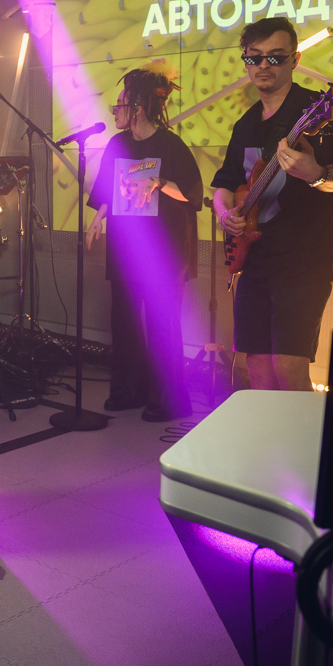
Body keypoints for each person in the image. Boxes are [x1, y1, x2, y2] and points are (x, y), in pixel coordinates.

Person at [211, 17, 333, 391]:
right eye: (254, 57)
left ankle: (303, 433)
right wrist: (226, 214)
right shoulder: (245, 124)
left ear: (295, 59)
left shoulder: (317, 111)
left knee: (288, 369)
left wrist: (315, 173)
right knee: (257, 368)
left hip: (304, 263)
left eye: (275, 57)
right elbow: (223, 185)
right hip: (255, 262)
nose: (264, 65)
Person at [86, 63, 202, 422]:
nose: (115, 111)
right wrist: (98, 216)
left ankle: (168, 399)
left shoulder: (171, 145)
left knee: (161, 323)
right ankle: (128, 391)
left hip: (165, 250)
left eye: (120, 104)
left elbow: (192, 195)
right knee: (124, 323)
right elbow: (108, 190)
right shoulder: (118, 144)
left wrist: (159, 183)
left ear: (138, 107)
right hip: (125, 249)